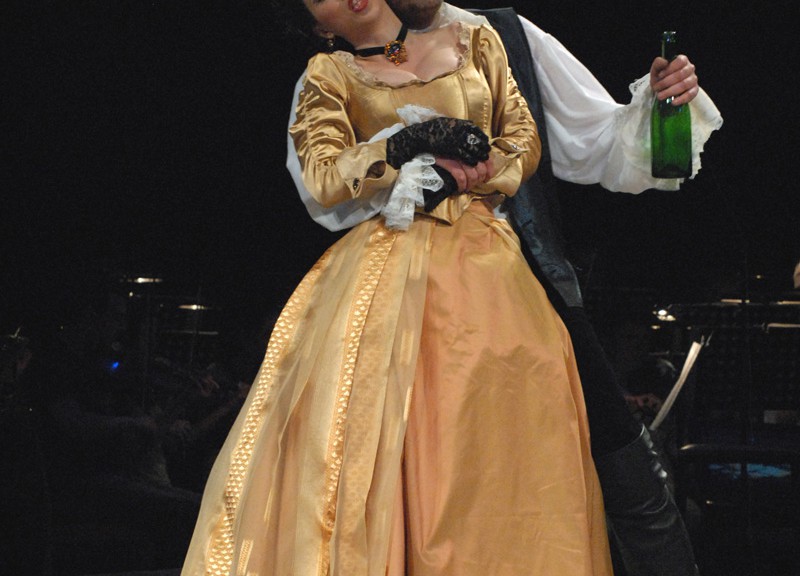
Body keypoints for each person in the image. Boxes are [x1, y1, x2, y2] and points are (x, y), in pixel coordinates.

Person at [285, 3, 722, 576]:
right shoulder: (336, 71)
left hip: (523, 283)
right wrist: (410, 162)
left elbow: (597, 140)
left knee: (625, 479)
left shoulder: (497, 35)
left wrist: (662, 105)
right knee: (413, 492)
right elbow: (324, 188)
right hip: (403, 301)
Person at [183, 0, 614, 574]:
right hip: (392, 260)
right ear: (318, 26)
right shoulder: (330, 76)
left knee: (510, 408)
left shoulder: (475, 42)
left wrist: (475, 171)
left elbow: (524, 139)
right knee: (400, 431)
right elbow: (324, 174)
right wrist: (403, 146)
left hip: (490, 263)